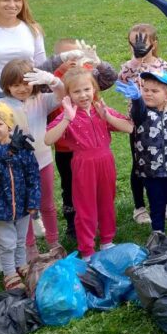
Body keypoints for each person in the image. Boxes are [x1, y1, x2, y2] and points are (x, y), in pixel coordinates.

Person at [44, 71, 133, 260]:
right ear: (68, 95)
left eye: (87, 89)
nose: (83, 95)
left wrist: (107, 116)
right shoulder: (68, 114)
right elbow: (48, 139)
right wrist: (67, 118)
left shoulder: (99, 109)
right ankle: (87, 249)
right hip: (83, 164)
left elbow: (129, 127)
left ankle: (107, 240)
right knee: (85, 207)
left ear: (94, 89)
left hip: (105, 160)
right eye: (77, 92)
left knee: (107, 200)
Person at [42, 37, 116, 238]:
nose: (73, 60)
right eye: (67, 56)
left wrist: (96, 62)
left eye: (77, 54)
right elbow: (51, 87)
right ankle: (73, 223)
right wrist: (60, 71)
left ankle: (99, 219)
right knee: (70, 186)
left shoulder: (86, 79)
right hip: (66, 150)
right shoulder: (54, 81)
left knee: (95, 188)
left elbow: (109, 78)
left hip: (91, 150)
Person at [0, 59, 66, 257]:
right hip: (17, 166)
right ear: (7, 86)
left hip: (43, 162)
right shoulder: (2, 104)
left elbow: (62, 95)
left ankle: (54, 242)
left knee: (47, 204)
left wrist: (53, 80)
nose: (21, 89)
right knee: (25, 207)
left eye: (25, 83)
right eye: (15, 85)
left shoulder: (42, 99)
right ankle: (30, 247)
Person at [0, 102, 40, 290]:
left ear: (9, 125)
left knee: (20, 239)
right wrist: (9, 149)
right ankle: (9, 273)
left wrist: (34, 200)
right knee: (7, 242)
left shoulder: (23, 145)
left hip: (22, 203)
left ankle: (21, 265)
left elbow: (33, 174)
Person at [116, 71, 167, 234]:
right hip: (150, 170)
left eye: (154, 91)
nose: (148, 94)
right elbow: (136, 113)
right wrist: (136, 99)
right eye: (145, 90)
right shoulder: (142, 113)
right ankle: (158, 231)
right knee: (156, 201)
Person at [116, 24, 167, 225]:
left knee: (163, 160)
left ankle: (164, 201)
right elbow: (121, 80)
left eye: (143, 42)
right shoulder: (129, 66)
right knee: (138, 164)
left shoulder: (164, 66)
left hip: (161, 125)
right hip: (138, 124)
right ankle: (140, 207)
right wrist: (136, 60)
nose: (138, 46)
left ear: (154, 44)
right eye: (134, 42)